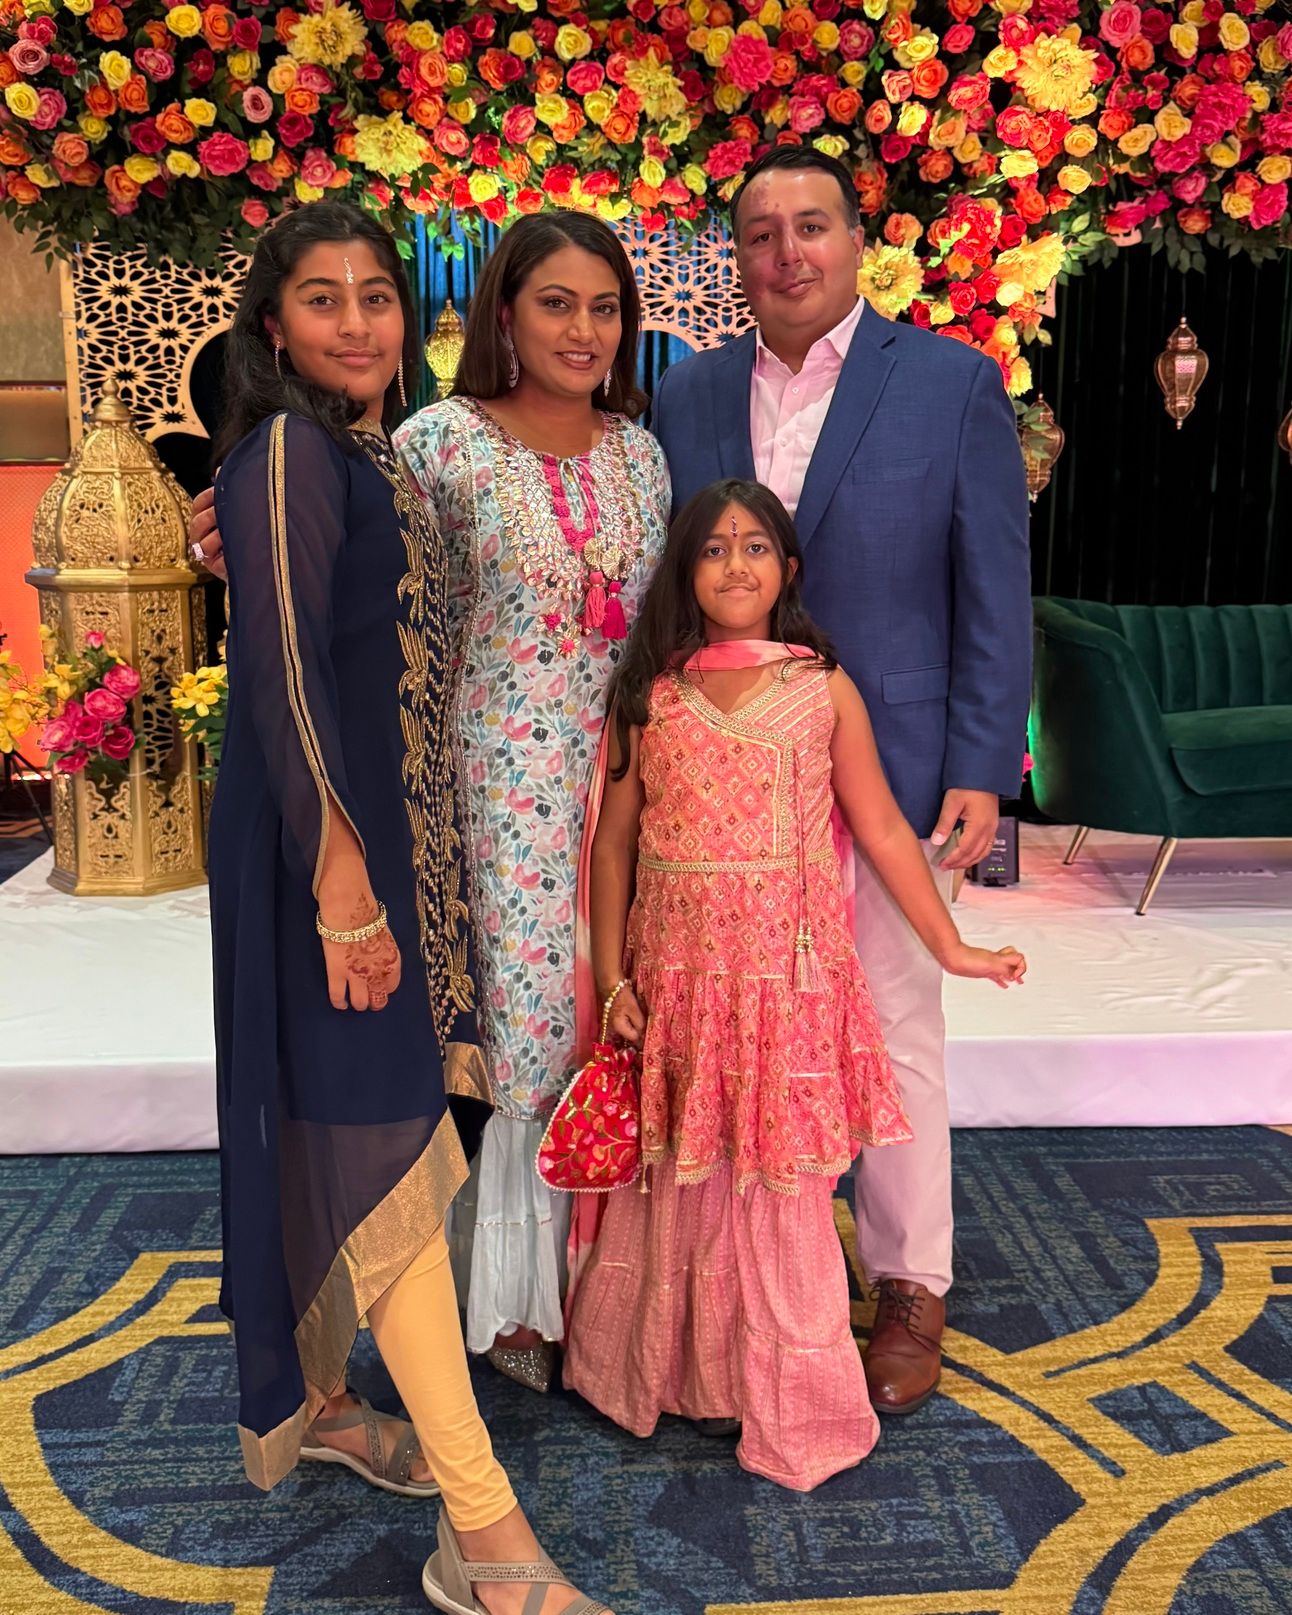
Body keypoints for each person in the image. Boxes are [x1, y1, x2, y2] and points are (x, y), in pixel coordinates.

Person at [210, 199, 609, 1615]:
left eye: (376, 295)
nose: (356, 322)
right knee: (382, 1144)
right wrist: (341, 883)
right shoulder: (285, 451)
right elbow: (285, 676)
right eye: (322, 298)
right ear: (274, 326)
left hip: (390, 849)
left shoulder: (369, 454)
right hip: (326, 855)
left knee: (361, 1123)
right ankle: (481, 1526)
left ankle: (323, 1396)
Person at [651, 147, 1034, 1416]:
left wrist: (983, 759)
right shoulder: (687, 391)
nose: (787, 254)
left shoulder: (949, 382)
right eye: (759, 234)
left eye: (810, 226)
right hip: (726, 782)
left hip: (899, 768)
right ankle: (771, 1274)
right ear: (735, 256)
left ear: (858, 239)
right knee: (743, 1031)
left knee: (891, 1025)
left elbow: (993, 587)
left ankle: (909, 1281)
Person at [562, 480, 1025, 1490]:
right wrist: (612, 975)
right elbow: (612, 846)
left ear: (788, 569)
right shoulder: (652, 692)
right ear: (684, 571)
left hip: (782, 980)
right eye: (713, 549)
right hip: (681, 980)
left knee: (772, 1177)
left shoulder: (822, 688)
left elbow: (883, 828)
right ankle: (685, 1373)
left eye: (755, 547)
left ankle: (784, 1390)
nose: (735, 566)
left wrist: (951, 946)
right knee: (683, 1168)